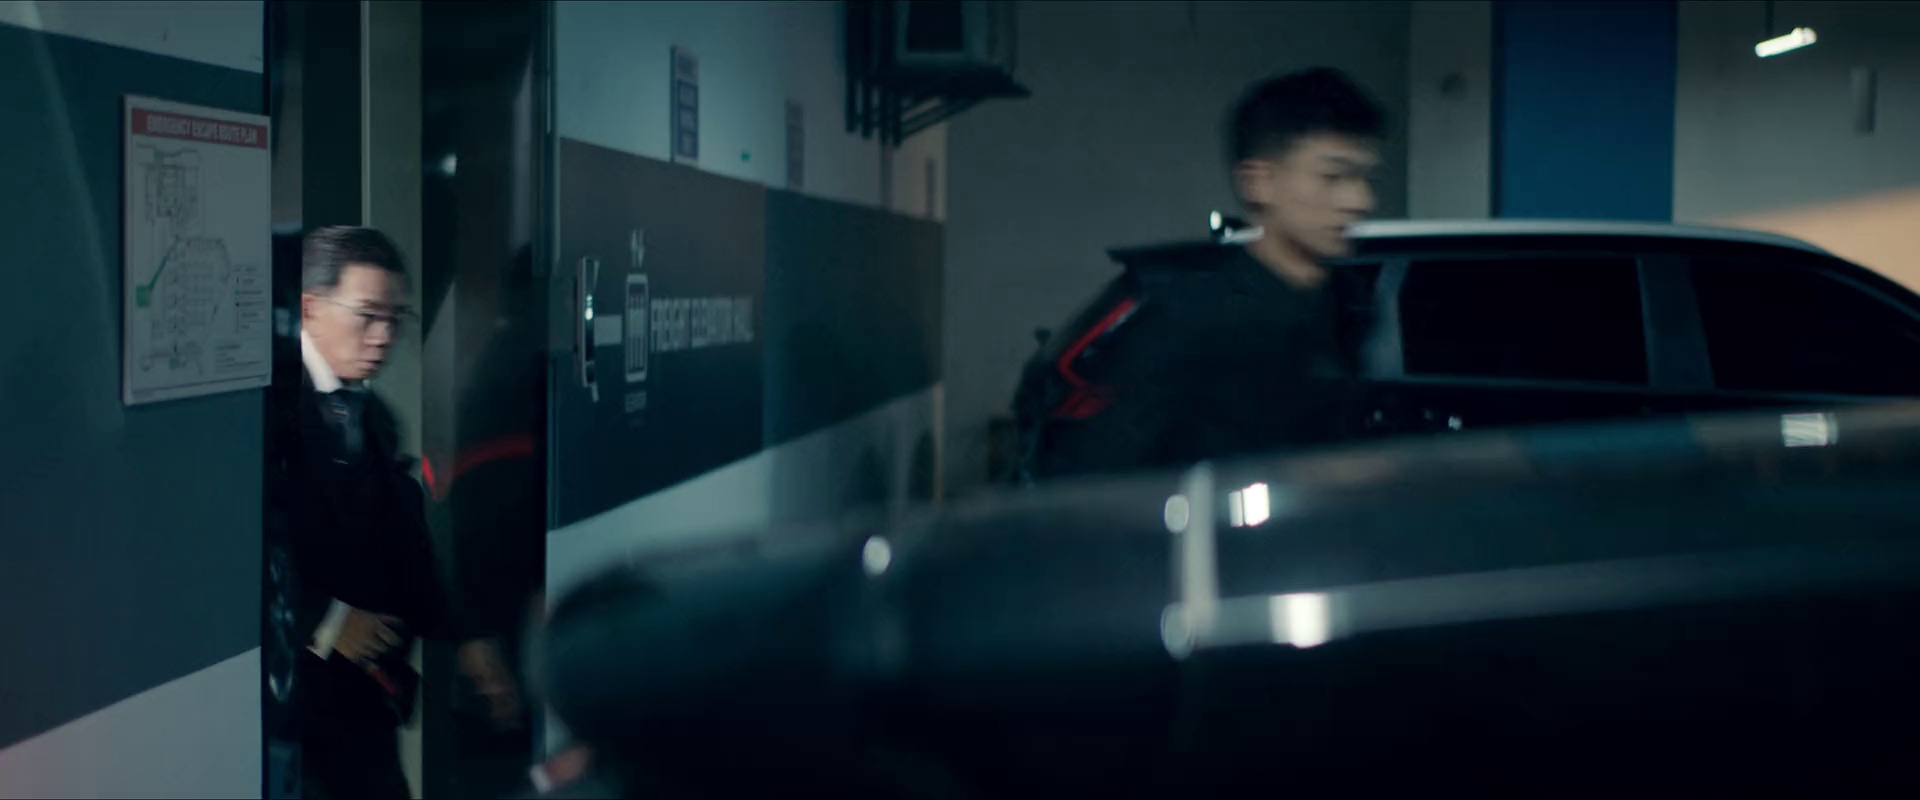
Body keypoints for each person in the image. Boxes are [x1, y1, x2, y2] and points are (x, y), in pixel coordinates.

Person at [1012, 67, 1385, 482]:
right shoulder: (1191, 316)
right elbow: (1099, 477)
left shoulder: (1350, 305)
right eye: (1333, 176)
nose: (1360, 200)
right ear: (1259, 182)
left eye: (1366, 178)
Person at [269, 226, 521, 799]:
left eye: (395, 319)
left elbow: (408, 545)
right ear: (310, 308)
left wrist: (466, 637)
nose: (383, 336)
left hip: (369, 702)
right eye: (367, 316)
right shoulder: (266, 411)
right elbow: (244, 547)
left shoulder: (375, 415)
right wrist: (327, 622)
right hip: (294, 707)